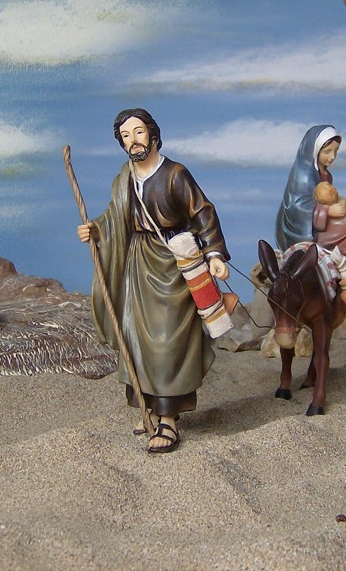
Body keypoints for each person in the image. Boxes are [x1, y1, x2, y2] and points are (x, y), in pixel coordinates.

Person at [77, 108, 230, 454]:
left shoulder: (175, 174)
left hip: (173, 264)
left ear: (153, 134)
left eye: (138, 132)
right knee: (137, 339)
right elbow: (116, 216)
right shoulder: (125, 178)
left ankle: (169, 419)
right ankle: (149, 408)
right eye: (126, 136)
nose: (133, 141)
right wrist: (96, 229)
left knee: (167, 343)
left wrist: (215, 255)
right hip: (137, 263)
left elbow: (203, 213)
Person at [275, 125, 346, 307]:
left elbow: (328, 198)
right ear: (314, 150)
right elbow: (296, 207)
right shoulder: (304, 174)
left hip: (320, 225)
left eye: (335, 151)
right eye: (327, 151)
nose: (332, 157)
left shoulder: (324, 174)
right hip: (303, 231)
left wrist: (342, 206)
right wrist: (328, 212)